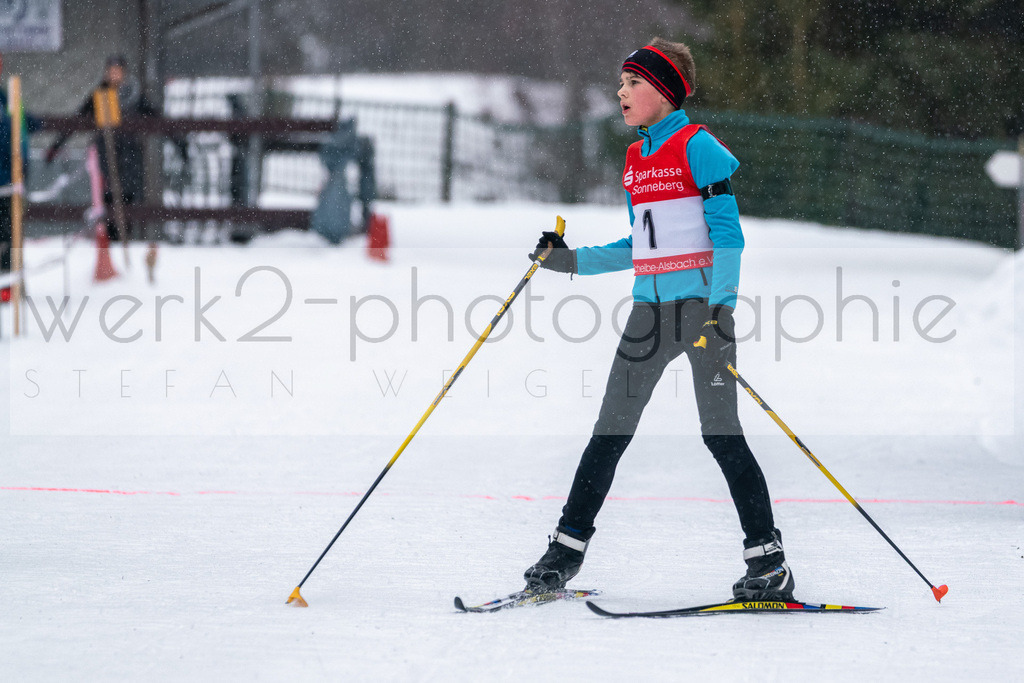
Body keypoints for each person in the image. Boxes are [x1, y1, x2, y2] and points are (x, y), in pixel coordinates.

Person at [523, 38, 795, 602]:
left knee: (722, 435)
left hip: (701, 315)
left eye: (634, 84)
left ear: (665, 91)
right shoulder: (636, 160)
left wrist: (719, 311)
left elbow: (730, 237)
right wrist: (567, 261)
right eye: (621, 83)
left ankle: (769, 564)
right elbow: (638, 247)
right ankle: (563, 553)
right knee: (609, 434)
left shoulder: (699, 148)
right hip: (648, 318)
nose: (621, 93)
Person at [45, 54, 155, 243]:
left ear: (124, 73)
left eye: (117, 71)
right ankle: (109, 243)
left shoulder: (135, 96)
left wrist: (179, 142)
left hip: (129, 158)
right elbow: (78, 119)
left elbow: (156, 117)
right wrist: (56, 145)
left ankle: (123, 242)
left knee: (127, 201)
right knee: (108, 200)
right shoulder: (100, 94)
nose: (114, 75)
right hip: (106, 157)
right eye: (111, 71)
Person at [0, 52, 41, 303]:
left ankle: (8, 286)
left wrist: (21, 168)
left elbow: (21, 131)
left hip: (7, 180)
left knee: (8, 234)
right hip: (7, 178)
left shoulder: (9, 98)